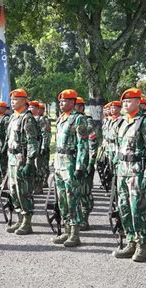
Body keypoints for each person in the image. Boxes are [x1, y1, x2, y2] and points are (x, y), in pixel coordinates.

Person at [112, 88, 146, 262]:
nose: (126, 104)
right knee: (124, 208)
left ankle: (141, 246)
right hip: (123, 172)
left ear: (138, 102)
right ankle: (130, 242)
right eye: (124, 102)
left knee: (137, 210)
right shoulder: (123, 122)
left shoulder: (145, 122)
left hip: (137, 173)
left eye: (130, 101)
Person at [52, 89, 88, 247]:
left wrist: (80, 166)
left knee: (72, 198)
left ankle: (75, 233)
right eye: (60, 101)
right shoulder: (61, 119)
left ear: (73, 102)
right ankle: (66, 230)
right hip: (60, 163)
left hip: (71, 163)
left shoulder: (78, 119)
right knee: (62, 199)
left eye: (65, 101)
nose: (62, 103)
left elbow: (83, 145)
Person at [4, 90, 40, 234]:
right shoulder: (13, 117)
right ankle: (19, 218)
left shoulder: (27, 118)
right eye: (12, 99)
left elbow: (32, 142)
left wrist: (30, 162)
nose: (12, 102)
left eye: (16, 99)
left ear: (25, 101)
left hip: (22, 159)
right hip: (12, 157)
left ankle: (27, 221)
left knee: (23, 191)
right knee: (13, 190)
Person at [74, 97, 99, 230]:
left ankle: (84, 217)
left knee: (85, 192)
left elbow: (93, 142)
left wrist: (91, 162)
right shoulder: (71, 119)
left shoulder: (86, 121)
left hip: (85, 162)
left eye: (77, 106)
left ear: (82, 107)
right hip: (74, 161)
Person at [0, 101, 10, 183]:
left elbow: (7, 133)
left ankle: (4, 181)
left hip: (2, 143)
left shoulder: (6, 119)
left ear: (4, 109)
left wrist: (5, 145)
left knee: (2, 163)